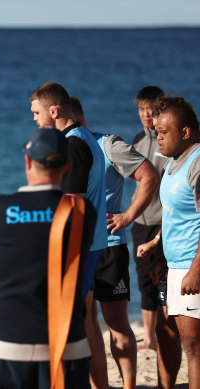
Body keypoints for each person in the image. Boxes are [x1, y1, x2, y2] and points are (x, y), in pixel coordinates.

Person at [0, 127, 96, 388]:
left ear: (28, 161)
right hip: (66, 345)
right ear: (69, 165)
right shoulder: (84, 212)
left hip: (3, 344)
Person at [71, 96, 160, 389]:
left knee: (117, 323)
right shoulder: (60, 150)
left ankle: (129, 386)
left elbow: (148, 175)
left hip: (109, 245)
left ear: (77, 120)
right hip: (78, 250)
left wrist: (128, 215)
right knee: (85, 324)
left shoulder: (108, 144)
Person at [30, 82, 109, 388]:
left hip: (76, 246)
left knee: (67, 326)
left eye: (37, 112)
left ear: (54, 110)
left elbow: (71, 203)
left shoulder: (72, 144)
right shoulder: (86, 137)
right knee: (86, 322)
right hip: (90, 243)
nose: (35, 120)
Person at [139, 97, 200, 388]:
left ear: (185, 132)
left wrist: (195, 271)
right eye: (156, 131)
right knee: (167, 331)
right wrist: (157, 246)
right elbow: (176, 214)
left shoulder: (198, 162)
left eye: (163, 132)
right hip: (174, 266)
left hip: (192, 266)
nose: (157, 137)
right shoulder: (174, 162)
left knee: (194, 348)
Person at [131, 86, 169, 352]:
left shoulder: (167, 140)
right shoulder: (137, 140)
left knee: (164, 280)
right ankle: (148, 337)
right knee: (144, 280)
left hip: (162, 222)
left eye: (150, 108)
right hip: (139, 223)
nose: (145, 114)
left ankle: (167, 330)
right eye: (141, 109)